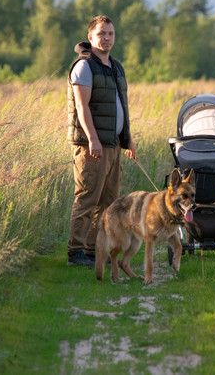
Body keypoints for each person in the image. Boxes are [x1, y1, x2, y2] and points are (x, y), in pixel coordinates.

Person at [66, 15, 136, 267]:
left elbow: (121, 107)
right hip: (91, 146)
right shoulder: (84, 67)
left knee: (108, 202)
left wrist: (128, 140)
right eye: (101, 34)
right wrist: (92, 139)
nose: (106, 38)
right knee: (87, 198)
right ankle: (75, 253)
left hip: (113, 144)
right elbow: (82, 108)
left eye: (110, 34)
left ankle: (94, 251)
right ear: (90, 37)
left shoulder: (116, 67)